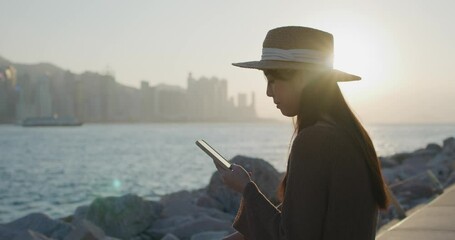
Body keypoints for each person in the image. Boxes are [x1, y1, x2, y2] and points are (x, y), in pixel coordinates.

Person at [213, 26, 390, 240]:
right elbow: (306, 223)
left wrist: (246, 189)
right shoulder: (346, 134)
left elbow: (292, 235)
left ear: (303, 78)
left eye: (272, 80)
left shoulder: (315, 141)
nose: (268, 92)